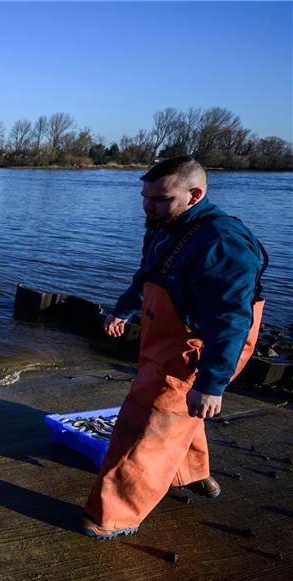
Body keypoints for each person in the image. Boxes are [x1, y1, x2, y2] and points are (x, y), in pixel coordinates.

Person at [82, 156, 267, 540]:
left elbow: (231, 320)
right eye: (145, 196)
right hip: (164, 334)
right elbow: (148, 275)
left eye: (160, 199)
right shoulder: (164, 226)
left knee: (147, 422)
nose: (148, 206)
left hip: (202, 344)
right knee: (179, 413)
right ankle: (190, 473)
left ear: (195, 195)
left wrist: (212, 384)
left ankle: (113, 515)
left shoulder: (223, 243)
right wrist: (123, 309)